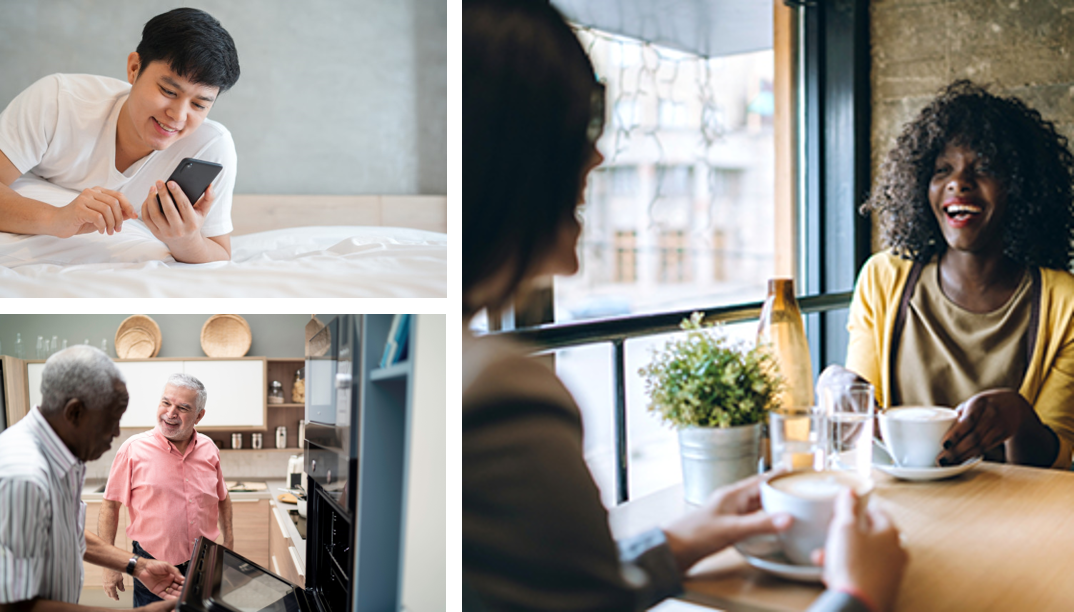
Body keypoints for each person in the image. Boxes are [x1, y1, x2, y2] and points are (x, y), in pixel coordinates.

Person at [462, 1, 907, 610]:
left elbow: (549, 590)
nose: (596, 157)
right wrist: (860, 594)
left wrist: (673, 544)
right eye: (581, 125)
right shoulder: (495, 398)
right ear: (506, 149)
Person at [822, 79, 1074, 470]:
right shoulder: (883, 279)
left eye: (985, 168)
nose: (959, 182)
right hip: (902, 507)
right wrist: (836, 386)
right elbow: (862, 422)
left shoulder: (1065, 302)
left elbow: (1057, 464)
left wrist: (1019, 418)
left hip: (1012, 517)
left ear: (1021, 187)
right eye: (943, 170)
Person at [0, 8, 240, 263]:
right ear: (134, 68)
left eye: (199, 105)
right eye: (169, 91)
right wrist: (57, 218)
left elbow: (220, 254)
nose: (178, 116)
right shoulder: (58, 101)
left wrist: (185, 240)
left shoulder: (211, 146)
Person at [0, 345, 184, 612]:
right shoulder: (23, 477)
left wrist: (138, 565)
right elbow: (13, 607)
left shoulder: (64, 458)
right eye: (111, 420)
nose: (116, 432)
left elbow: (68, 532)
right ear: (74, 413)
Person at [100, 373, 233, 606]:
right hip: (151, 562)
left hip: (205, 562)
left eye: (183, 407)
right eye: (166, 402)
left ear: (199, 415)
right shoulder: (133, 449)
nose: (171, 413)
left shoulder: (209, 448)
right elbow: (110, 506)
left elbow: (222, 497)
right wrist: (110, 565)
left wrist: (229, 544)